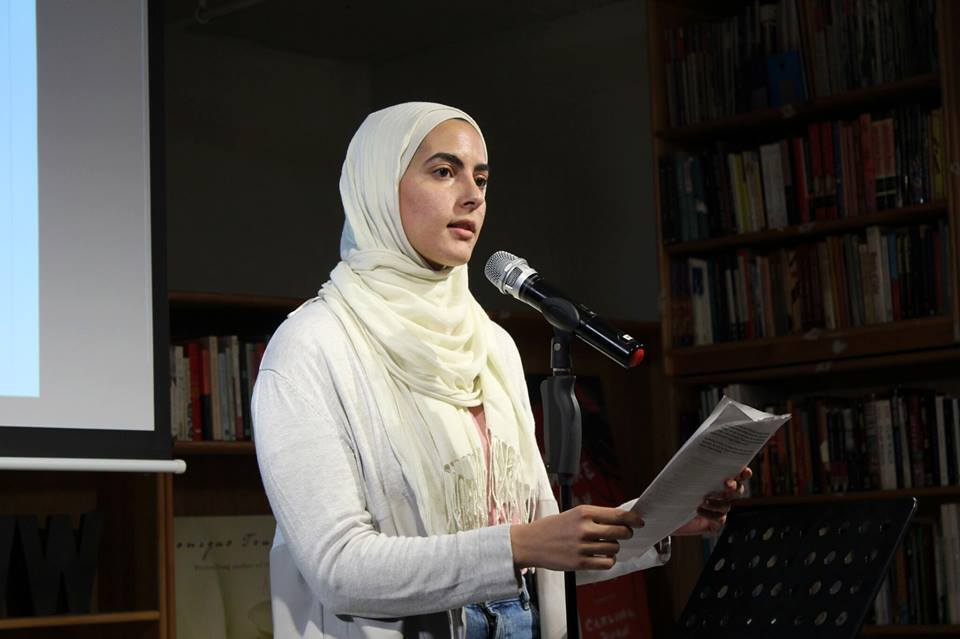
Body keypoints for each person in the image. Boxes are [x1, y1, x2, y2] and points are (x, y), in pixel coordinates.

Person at [252, 102, 750, 639]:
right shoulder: (311, 346)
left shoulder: (491, 344)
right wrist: (519, 545)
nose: (472, 194)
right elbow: (338, 568)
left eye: (481, 178)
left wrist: (663, 517)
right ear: (376, 187)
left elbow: (543, 549)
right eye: (444, 172)